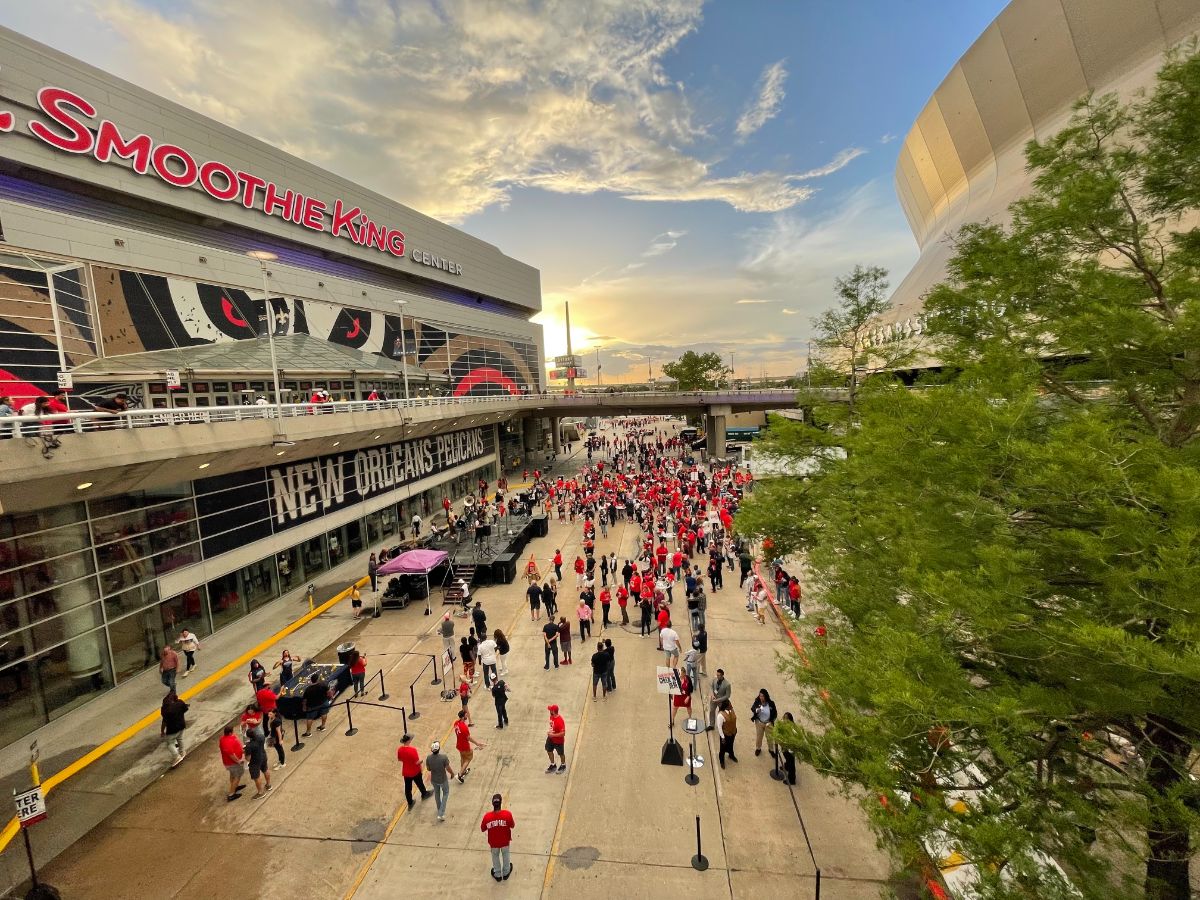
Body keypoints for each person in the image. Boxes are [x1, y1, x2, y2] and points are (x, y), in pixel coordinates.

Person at [481, 793, 516, 882]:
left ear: (493, 804)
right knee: (506, 855)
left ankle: (497, 874)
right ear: (501, 803)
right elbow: (512, 825)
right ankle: (506, 872)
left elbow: (483, 828)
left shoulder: (487, 817)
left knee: (495, 857)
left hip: (493, 843)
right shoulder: (507, 814)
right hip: (505, 841)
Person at [397, 734, 433, 809]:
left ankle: (410, 802)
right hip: (415, 771)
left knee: (408, 788)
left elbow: (400, 759)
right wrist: (421, 761)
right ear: (409, 741)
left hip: (406, 772)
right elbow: (416, 762)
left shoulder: (400, 749)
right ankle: (424, 794)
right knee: (420, 783)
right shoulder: (413, 750)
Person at [427, 740, 455, 821]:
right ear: (439, 749)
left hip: (434, 780)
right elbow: (447, 768)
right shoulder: (444, 757)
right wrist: (452, 773)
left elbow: (428, 769)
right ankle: (441, 813)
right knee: (445, 794)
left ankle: (439, 809)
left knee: (437, 794)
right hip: (442, 780)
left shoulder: (428, 758)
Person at [453, 709, 485, 781]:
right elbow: (468, 738)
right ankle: (460, 774)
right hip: (465, 746)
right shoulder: (464, 727)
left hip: (459, 744)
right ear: (463, 717)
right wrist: (477, 743)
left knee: (463, 758)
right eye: (466, 715)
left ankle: (463, 771)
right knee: (468, 758)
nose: (467, 716)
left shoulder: (456, 723)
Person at [160, 689, 188, 768]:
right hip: (182, 726)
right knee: (180, 739)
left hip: (172, 730)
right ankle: (182, 752)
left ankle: (176, 757)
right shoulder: (180, 703)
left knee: (170, 744)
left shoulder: (165, 710)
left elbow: (164, 722)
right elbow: (185, 709)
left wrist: (162, 731)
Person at [219, 724, 246, 802]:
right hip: (232, 763)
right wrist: (238, 761)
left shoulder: (223, 738)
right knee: (237, 776)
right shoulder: (227, 742)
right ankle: (231, 794)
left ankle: (234, 787)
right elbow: (231, 754)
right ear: (230, 732)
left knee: (233, 774)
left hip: (230, 763)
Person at [246, 722, 272, 799]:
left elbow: (248, 758)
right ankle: (268, 785)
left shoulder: (249, 746)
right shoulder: (261, 737)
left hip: (255, 761)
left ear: (248, 736)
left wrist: (245, 752)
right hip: (263, 756)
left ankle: (260, 792)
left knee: (256, 777)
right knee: (265, 769)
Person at [750, 688, 778, 757]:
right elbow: (753, 708)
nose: (761, 697)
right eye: (760, 696)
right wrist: (756, 710)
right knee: (759, 737)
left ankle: (771, 750)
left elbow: (775, 714)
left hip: (768, 723)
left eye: (762, 696)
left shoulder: (771, 703)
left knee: (770, 737)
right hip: (759, 722)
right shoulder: (757, 702)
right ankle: (758, 748)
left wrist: (771, 721)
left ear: (766, 696)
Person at [545, 704, 567, 773]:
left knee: (561, 753)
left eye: (550, 710)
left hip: (558, 741)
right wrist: (550, 731)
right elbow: (552, 725)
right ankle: (553, 765)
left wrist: (553, 735)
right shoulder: (551, 716)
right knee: (548, 750)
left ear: (553, 711)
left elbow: (563, 734)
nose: (549, 711)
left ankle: (563, 765)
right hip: (551, 738)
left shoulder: (560, 721)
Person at [716, 700, 738, 768]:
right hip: (725, 734)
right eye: (729, 704)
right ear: (726, 707)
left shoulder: (732, 710)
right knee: (722, 748)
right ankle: (721, 760)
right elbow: (719, 727)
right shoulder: (720, 715)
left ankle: (731, 755)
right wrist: (722, 737)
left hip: (733, 732)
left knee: (731, 745)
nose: (731, 705)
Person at [778, 711, 797, 784]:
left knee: (791, 763)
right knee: (786, 757)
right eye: (784, 717)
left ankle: (792, 780)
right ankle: (786, 766)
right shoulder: (783, 724)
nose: (784, 719)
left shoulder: (793, 728)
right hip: (784, 745)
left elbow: (794, 739)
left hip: (790, 748)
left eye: (786, 718)